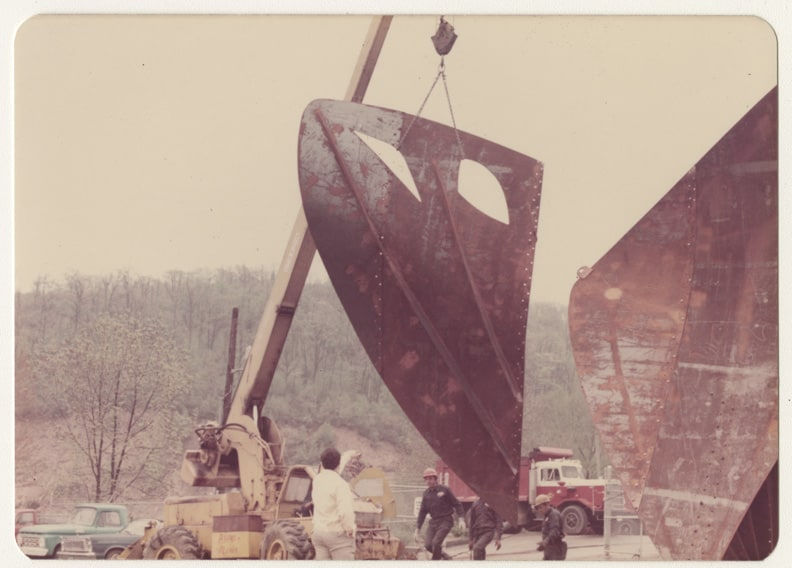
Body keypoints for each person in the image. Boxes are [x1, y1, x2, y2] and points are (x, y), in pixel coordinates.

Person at [311, 447, 357, 560]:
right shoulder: (341, 485)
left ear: (322, 463)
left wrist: (348, 455)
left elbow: (331, 473)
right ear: (339, 464)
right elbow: (345, 512)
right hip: (337, 535)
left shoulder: (317, 480)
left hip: (318, 533)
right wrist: (350, 529)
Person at [415, 467, 465, 560]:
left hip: (446, 521)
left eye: (430, 478)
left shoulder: (444, 489)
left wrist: (461, 519)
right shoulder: (426, 494)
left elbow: (457, 504)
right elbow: (422, 512)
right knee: (428, 545)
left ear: (435, 479)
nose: (428, 481)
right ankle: (445, 556)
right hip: (433, 522)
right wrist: (417, 529)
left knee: (436, 543)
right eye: (426, 479)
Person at [534, 494, 567, 560]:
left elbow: (555, 530)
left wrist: (545, 542)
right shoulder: (547, 515)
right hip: (550, 547)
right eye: (538, 508)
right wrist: (544, 545)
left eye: (541, 507)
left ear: (547, 505)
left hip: (556, 548)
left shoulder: (553, 515)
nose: (539, 510)